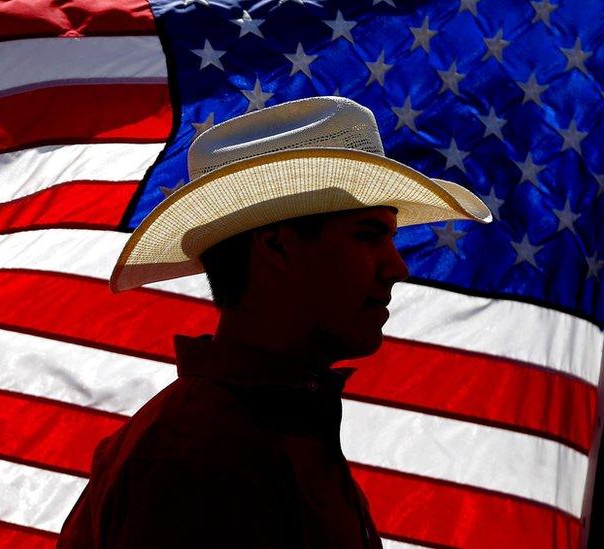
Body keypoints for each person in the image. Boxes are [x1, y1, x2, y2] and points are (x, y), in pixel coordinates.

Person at [56, 96, 491, 548]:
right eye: (368, 236)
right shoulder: (200, 457)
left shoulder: (262, 426)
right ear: (276, 248)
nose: (396, 267)